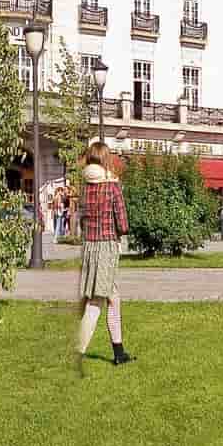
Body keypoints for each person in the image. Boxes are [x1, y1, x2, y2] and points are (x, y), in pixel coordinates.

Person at [74, 142, 133, 368]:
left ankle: (119, 352)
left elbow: (81, 218)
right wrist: (119, 230)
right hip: (107, 246)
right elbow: (123, 223)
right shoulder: (111, 186)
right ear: (106, 159)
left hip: (90, 245)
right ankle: (77, 351)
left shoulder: (85, 186)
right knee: (97, 300)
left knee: (113, 297)